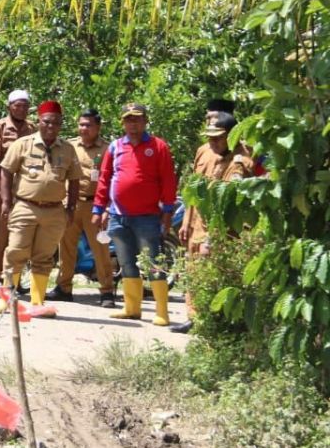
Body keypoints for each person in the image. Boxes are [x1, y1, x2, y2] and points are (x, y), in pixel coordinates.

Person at [92, 103, 178, 326]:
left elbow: (168, 180)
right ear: (123, 122)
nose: (133, 123)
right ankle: (132, 308)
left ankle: (162, 311)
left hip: (148, 217)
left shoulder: (158, 147)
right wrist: (98, 208)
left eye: (137, 119)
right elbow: (104, 178)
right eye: (128, 119)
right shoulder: (115, 147)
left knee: (153, 263)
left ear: (145, 121)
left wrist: (168, 212)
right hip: (118, 216)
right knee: (126, 262)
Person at [0, 101, 82, 315]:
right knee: (15, 251)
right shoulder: (23, 144)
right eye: (47, 122)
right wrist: (6, 201)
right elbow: (6, 171)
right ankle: (6, 298)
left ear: (61, 125)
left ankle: (37, 302)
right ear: (39, 122)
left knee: (44, 257)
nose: (51, 126)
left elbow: (75, 179)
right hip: (25, 205)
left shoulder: (68, 149)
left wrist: (70, 207)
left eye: (56, 123)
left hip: (54, 211)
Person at [171, 112, 254, 333]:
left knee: (220, 275)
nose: (212, 142)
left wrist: (212, 238)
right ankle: (194, 318)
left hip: (226, 231)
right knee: (194, 270)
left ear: (232, 136)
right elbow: (193, 189)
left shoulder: (241, 159)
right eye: (209, 137)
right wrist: (187, 222)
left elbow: (227, 207)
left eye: (218, 137)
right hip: (198, 223)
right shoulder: (203, 152)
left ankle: (221, 322)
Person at [47, 109, 116, 307]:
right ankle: (64, 287)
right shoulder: (69, 146)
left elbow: (112, 178)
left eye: (88, 125)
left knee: (100, 249)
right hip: (71, 203)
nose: (84, 129)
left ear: (98, 127)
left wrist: (106, 208)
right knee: (66, 247)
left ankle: (107, 291)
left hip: (96, 205)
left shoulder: (107, 149)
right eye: (81, 124)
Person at [0, 89, 34, 290]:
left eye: (25, 106)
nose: (21, 109)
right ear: (9, 107)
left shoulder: (32, 129)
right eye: (17, 106)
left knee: (20, 237)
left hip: (23, 191)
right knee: (0, 235)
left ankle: (12, 281)